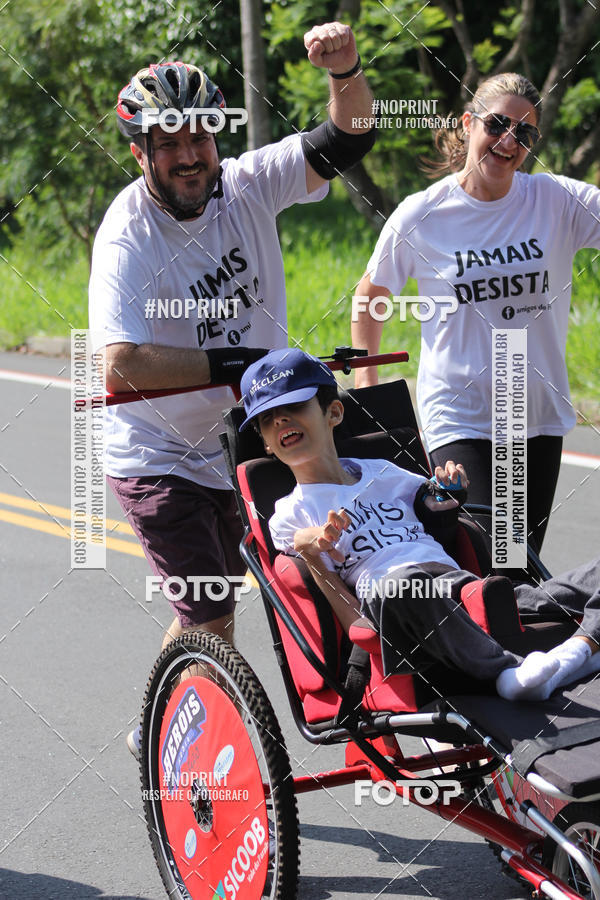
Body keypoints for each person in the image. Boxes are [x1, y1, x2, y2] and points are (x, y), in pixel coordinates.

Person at [89, 22, 376, 756]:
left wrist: (345, 72)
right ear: (141, 151)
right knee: (214, 609)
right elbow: (119, 363)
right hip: (158, 450)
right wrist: (243, 363)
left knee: (286, 574)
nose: (189, 156)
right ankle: (206, 752)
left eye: (200, 139)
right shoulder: (129, 234)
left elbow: (346, 140)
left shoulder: (246, 185)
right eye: (169, 143)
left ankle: (156, 717)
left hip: (246, 436)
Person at [239, 348, 600, 702]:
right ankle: (508, 672)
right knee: (401, 584)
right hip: (395, 607)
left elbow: (434, 507)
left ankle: (580, 652)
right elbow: (348, 616)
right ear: (267, 444)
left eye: (294, 408)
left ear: (333, 412)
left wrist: (446, 495)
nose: (280, 421)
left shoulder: (382, 471)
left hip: (460, 589)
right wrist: (310, 547)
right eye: (267, 419)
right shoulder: (290, 513)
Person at [351, 72, 600, 554]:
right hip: (458, 410)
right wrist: (368, 390)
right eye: (497, 124)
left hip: (530, 408)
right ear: (468, 123)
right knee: (481, 556)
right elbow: (371, 296)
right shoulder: (424, 214)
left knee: (515, 569)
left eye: (524, 133)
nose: (509, 141)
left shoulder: (555, 201)